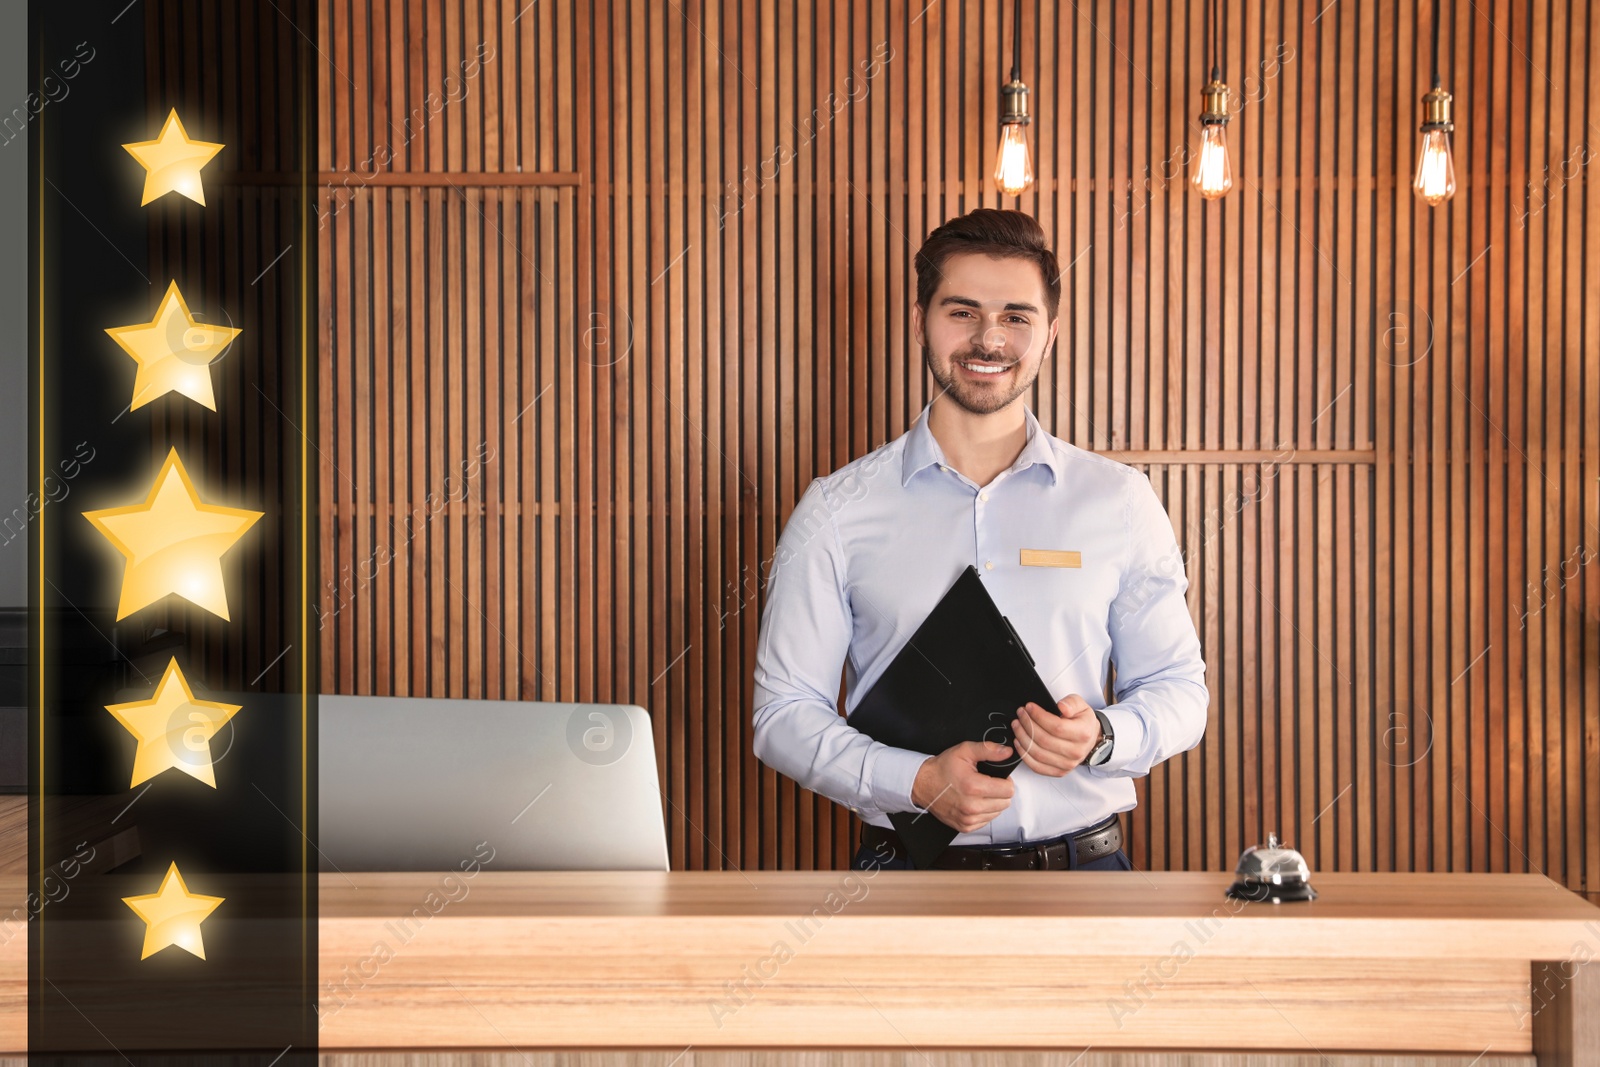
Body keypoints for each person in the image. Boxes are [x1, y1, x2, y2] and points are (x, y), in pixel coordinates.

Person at [751, 208, 1209, 872]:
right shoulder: (835, 510)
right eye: (961, 312)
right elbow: (782, 714)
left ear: (1050, 335)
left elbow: (1180, 689)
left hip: (1084, 879)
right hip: (902, 880)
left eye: (1016, 317)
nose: (988, 339)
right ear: (920, 323)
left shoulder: (1119, 501)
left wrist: (1104, 734)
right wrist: (913, 781)